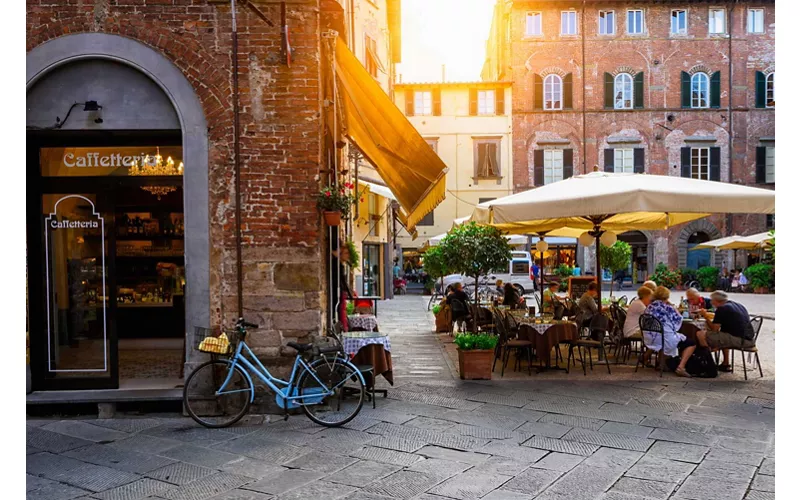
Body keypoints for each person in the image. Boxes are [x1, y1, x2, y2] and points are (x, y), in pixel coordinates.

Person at [642, 286, 697, 377]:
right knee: (692, 343)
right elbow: (678, 321)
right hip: (665, 338)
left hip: (651, 338)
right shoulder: (668, 308)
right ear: (667, 297)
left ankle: (662, 364)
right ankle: (681, 367)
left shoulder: (650, 307)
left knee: (664, 335)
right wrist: (672, 306)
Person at [696, 290, 755, 372]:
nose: (711, 302)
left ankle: (708, 364)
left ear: (717, 301)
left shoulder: (722, 308)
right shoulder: (738, 305)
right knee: (723, 333)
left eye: (712, 300)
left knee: (700, 334)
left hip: (741, 341)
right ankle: (725, 363)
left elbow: (714, 329)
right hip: (749, 339)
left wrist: (705, 316)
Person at [336, 242, 355, 331]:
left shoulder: (342, 266)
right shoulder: (338, 266)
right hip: (339, 293)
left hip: (341, 293)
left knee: (343, 312)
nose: (348, 256)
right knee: (342, 313)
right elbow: (342, 281)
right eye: (346, 253)